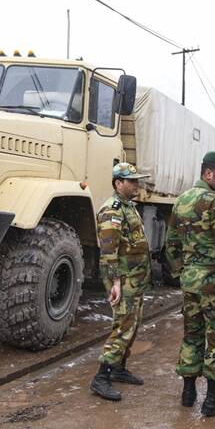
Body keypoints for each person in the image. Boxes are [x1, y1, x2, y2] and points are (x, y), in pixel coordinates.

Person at [166, 151, 215, 417]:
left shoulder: (182, 200)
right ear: (208, 174)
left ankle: (188, 393)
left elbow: (172, 244)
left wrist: (182, 273)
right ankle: (212, 400)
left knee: (192, 334)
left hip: (191, 283)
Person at [89, 162, 153, 402]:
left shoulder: (128, 207)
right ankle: (101, 377)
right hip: (123, 280)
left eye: (137, 180)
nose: (137, 184)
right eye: (132, 181)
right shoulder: (112, 210)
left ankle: (118, 368)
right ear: (118, 183)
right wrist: (115, 281)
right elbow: (108, 250)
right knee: (123, 327)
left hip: (134, 279)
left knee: (133, 324)